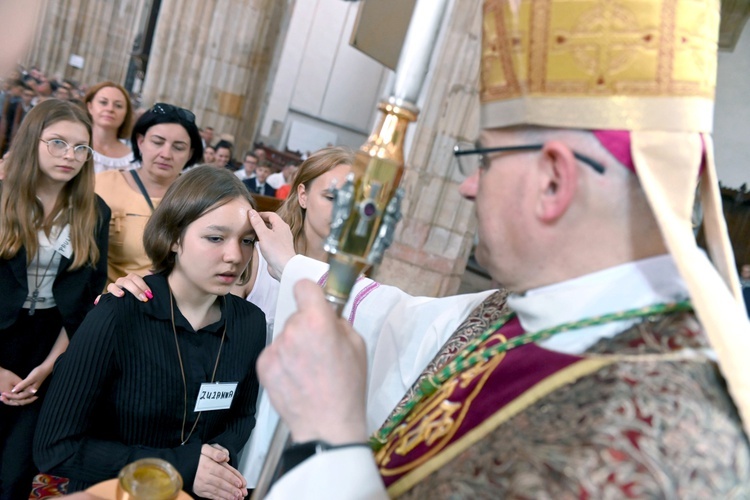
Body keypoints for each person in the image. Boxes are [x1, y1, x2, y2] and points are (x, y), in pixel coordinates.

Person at [253, 1, 750, 497]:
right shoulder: (525, 308)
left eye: (484, 159)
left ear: (553, 181)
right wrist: (292, 265)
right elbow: (401, 321)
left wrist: (332, 437)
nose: (468, 186)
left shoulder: (660, 438)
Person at [33, 167, 266, 499]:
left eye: (246, 241)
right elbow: (56, 448)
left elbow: (242, 415)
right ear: (174, 238)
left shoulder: (250, 323)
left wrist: (214, 461)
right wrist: (181, 467)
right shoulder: (119, 314)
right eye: (215, 238)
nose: (235, 256)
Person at [0, 99, 109, 499]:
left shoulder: (92, 212)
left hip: (50, 344)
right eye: (58, 143)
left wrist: (49, 367)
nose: (70, 156)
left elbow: (85, 301)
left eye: (81, 148)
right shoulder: (3, 198)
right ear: (33, 140)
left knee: (13, 474)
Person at [95, 102, 203, 286]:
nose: (166, 154)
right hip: (113, 299)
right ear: (140, 141)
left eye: (178, 147)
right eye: (158, 142)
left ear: (190, 153)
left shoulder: (202, 196)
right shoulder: (101, 185)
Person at [84, 82, 135, 174]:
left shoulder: (132, 161)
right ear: (90, 107)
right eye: (103, 102)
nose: (110, 109)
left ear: (126, 113)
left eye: (118, 105)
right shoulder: (75, 147)